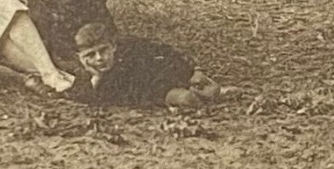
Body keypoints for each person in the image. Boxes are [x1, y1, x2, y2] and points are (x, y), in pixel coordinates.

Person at [68, 22, 220, 109]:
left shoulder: (131, 47)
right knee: (186, 99)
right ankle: (205, 96)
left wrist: (195, 71)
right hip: (155, 93)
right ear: (79, 57)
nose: (99, 58)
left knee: (208, 90)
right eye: (90, 55)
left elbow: (168, 51)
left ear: (113, 46)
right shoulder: (82, 75)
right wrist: (97, 77)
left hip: (165, 77)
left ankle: (213, 92)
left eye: (103, 51)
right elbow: (89, 99)